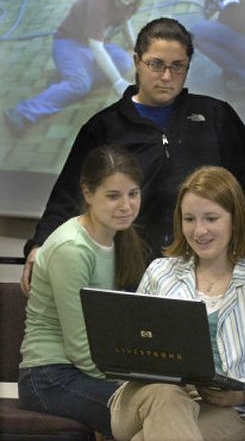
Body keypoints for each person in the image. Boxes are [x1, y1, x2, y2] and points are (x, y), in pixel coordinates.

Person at [21, 17, 245, 294]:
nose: (166, 76)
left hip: (206, 271)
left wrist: (228, 236)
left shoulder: (215, 116)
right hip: (129, 273)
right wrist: (40, 244)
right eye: (156, 64)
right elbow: (69, 196)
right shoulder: (104, 127)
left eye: (178, 67)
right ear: (137, 61)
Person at [109, 165, 245, 441]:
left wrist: (241, 392)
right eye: (189, 219)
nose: (199, 231)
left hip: (229, 411)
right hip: (143, 398)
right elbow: (133, 349)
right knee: (167, 394)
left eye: (211, 218)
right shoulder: (159, 272)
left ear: (235, 219)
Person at [18, 145, 148, 438]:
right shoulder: (72, 248)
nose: (126, 206)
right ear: (88, 194)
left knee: (165, 402)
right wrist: (126, 383)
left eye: (133, 193)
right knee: (147, 411)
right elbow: (79, 347)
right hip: (49, 377)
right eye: (113, 196)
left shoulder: (120, 238)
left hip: (84, 371)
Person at [4, 0, 149, 136]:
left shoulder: (129, 2)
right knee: (81, 85)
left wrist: (134, 46)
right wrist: (118, 82)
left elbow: (126, 20)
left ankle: (67, 80)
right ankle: (22, 113)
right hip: (69, 43)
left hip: (95, 44)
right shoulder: (99, 1)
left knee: (123, 62)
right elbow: (96, 47)